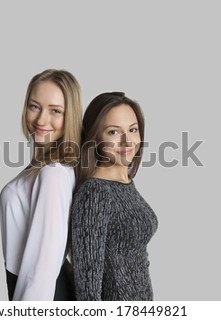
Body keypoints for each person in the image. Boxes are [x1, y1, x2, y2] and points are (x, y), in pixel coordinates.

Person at [0, 69, 82, 300]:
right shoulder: (46, 168)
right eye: (34, 106)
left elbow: (42, 268)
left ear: (70, 116)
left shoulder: (53, 173)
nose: (41, 119)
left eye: (55, 111)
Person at [70, 92, 158, 301]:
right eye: (113, 132)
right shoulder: (95, 193)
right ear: (96, 138)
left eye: (133, 129)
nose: (127, 141)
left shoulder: (126, 183)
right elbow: (87, 286)